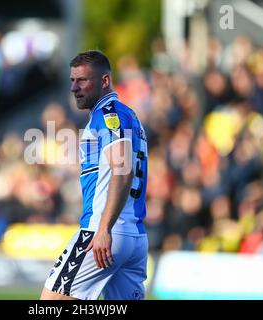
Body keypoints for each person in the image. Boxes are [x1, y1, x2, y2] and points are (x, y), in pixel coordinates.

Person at [40, 50, 149, 300]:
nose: (74, 88)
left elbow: (122, 170)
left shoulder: (108, 114)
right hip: (134, 236)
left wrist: (104, 228)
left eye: (82, 80)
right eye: (72, 81)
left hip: (104, 232)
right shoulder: (129, 116)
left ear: (105, 81)